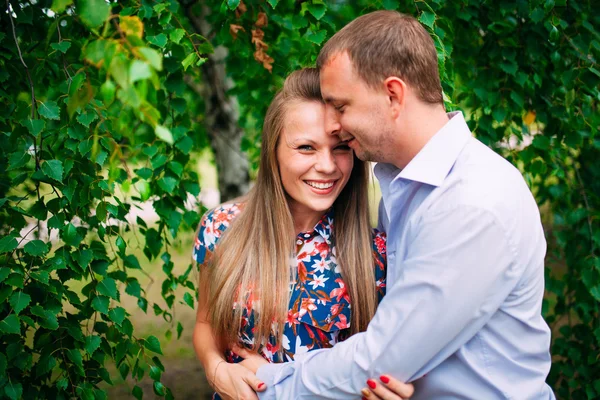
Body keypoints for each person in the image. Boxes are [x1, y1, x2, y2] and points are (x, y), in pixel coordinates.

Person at [240, 10, 554, 399]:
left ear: (393, 95)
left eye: (340, 106)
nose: (334, 124)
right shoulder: (408, 188)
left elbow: (383, 357)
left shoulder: (471, 202)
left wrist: (269, 383)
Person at [192, 68, 414, 400]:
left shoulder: (380, 255)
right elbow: (207, 325)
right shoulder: (222, 228)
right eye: (306, 147)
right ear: (274, 152)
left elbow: (386, 369)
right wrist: (215, 368)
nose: (326, 165)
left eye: (340, 148)